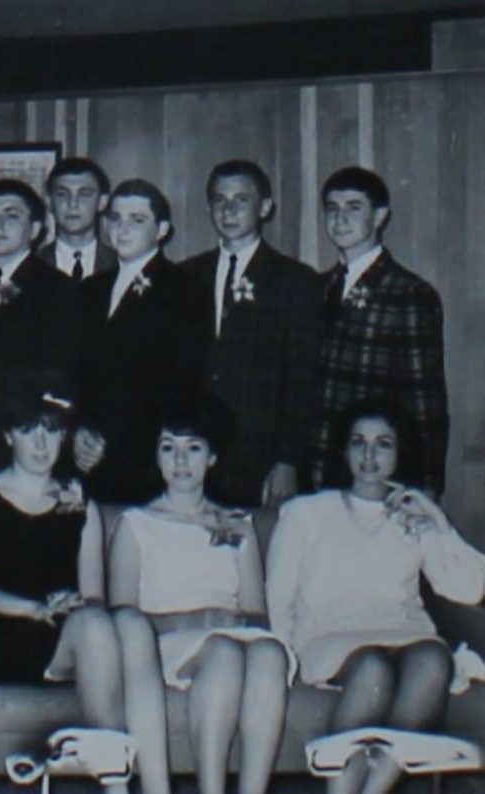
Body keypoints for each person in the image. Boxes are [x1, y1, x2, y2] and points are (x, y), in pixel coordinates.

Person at [0, 372, 160, 794]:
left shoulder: (80, 502)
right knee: (97, 627)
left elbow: (95, 597)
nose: (42, 445)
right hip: (2, 636)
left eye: (52, 432)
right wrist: (31, 609)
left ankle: (116, 784)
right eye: (29, 432)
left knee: (99, 622)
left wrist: (71, 604)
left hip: (64, 640)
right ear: (9, 436)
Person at [267, 399, 485, 794]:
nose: (369, 455)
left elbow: (468, 589)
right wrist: (285, 661)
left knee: (435, 658)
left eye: (383, 443)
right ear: (343, 450)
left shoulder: (412, 516)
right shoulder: (306, 513)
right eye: (358, 442)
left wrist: (438, 522)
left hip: (404, 632)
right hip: (330, 636)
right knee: (373, 668)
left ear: (399, 453)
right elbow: (279, 596)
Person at [108, 400, 293, 794]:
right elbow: (123, 621)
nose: (180, 460)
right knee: (224, 652)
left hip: (231, 637)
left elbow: (258, 615)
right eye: (167, 447)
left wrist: (235, 622)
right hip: (166, 643)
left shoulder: (237, 525)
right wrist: (203, 618)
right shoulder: (136, 525)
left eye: (193, 448)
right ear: (155, 457)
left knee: (270, 653)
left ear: (211, 457)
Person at [181, 160, 321, 508]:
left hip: (261, 454)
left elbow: (303, 377)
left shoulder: (295, 280)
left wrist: (287, 461)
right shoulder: (187, 275)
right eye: (219, 200)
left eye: (241, 199)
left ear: (265, 207)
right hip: (198, 452)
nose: (228, 210)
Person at [309, 166, 448, 496]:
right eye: (332, 208)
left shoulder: (408, 292)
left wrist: (426, 485)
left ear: (380, 216)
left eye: (354, 208)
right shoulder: (316, 286)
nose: (340, 219)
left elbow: (425, 398)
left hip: (374, 469)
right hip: (319, 462)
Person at [75, 178, 212, 504]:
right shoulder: (88, 289)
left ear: (162, 229)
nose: (122, 229)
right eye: (115, 219)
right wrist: (77, 430)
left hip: (143, 459)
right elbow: (72, 371)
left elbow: (181, 384)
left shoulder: (184, 290)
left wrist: (112, 440)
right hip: (82, 455)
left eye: (137, 220)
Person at [0, 179, 80, 396]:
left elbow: (59, 369)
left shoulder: (56, 288)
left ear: (35, 229)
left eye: (12, 216)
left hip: (24, 420)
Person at [39, 157, 117, 283]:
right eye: (62, 194)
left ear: (102, 202)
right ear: (49, 202)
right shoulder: (31, 265)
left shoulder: (120, 264)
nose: (73, 204)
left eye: (84, 194)